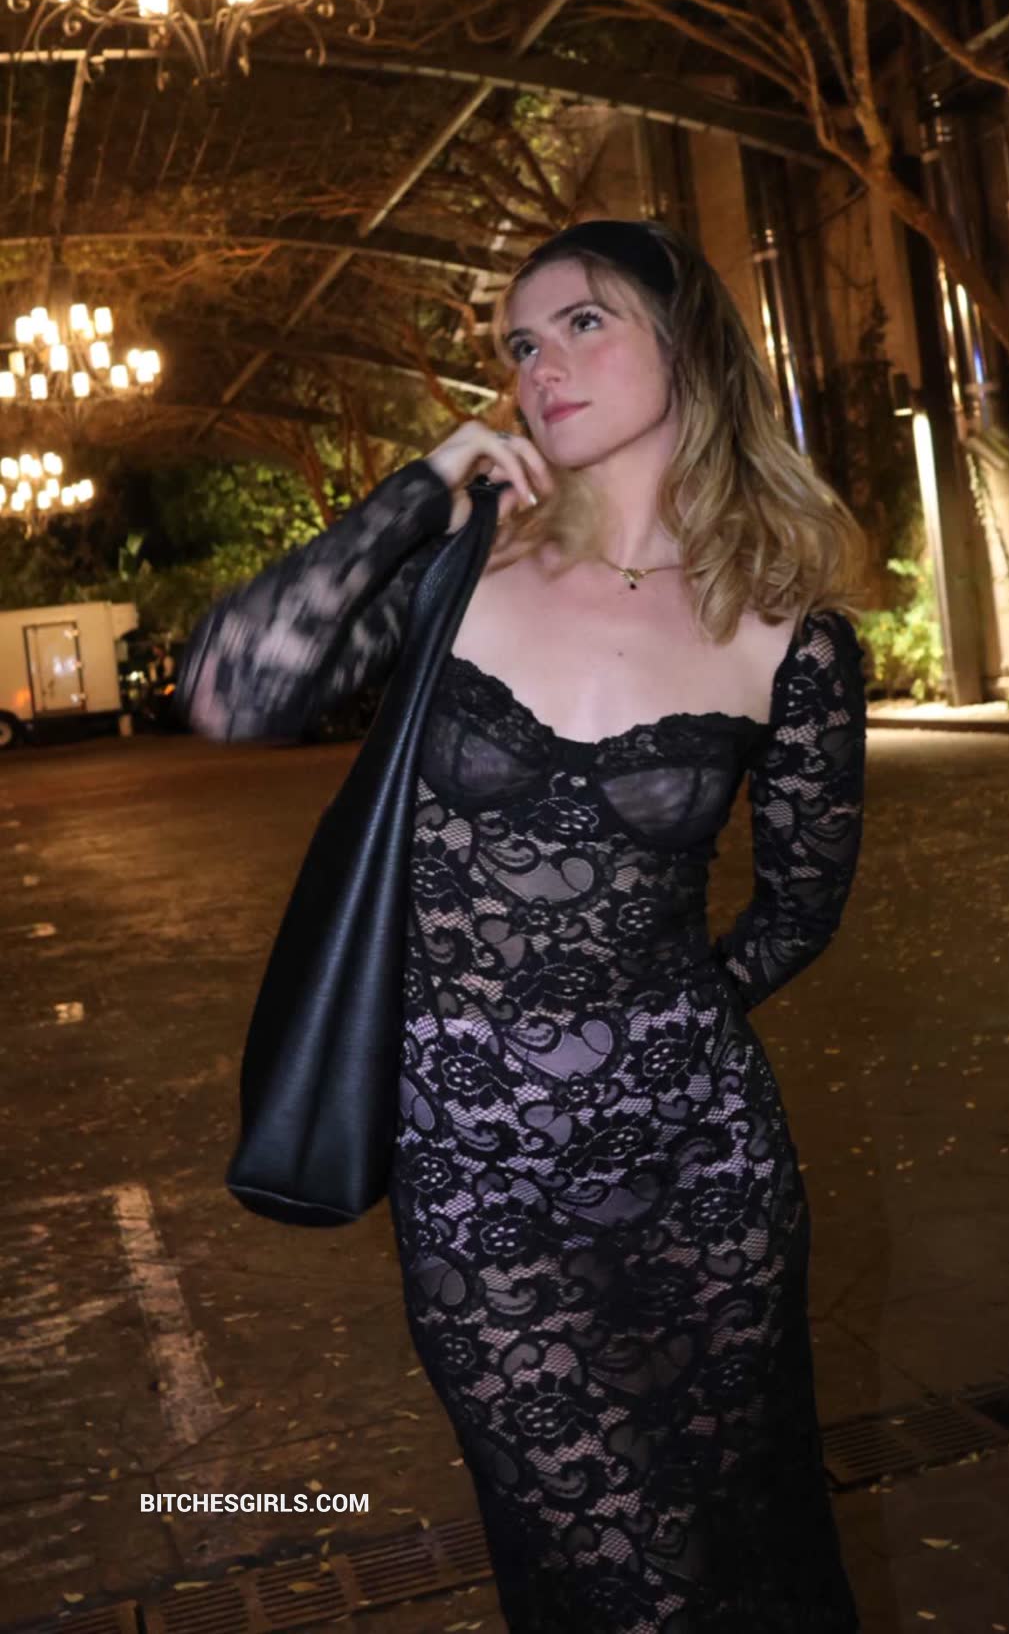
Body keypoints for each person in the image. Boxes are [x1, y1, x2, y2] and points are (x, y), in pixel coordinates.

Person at [177, 217, 868, 1632]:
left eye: (583, 324)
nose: (539, 364)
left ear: (684, 341)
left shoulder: (788, 631)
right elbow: (233, 692)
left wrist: (661, 1023)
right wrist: (413, 489)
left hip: (705, 1169)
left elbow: (802, 903)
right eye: (519, 344)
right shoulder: (462, 564)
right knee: (624, 1580)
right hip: (474, 1173)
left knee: (736, 1541)